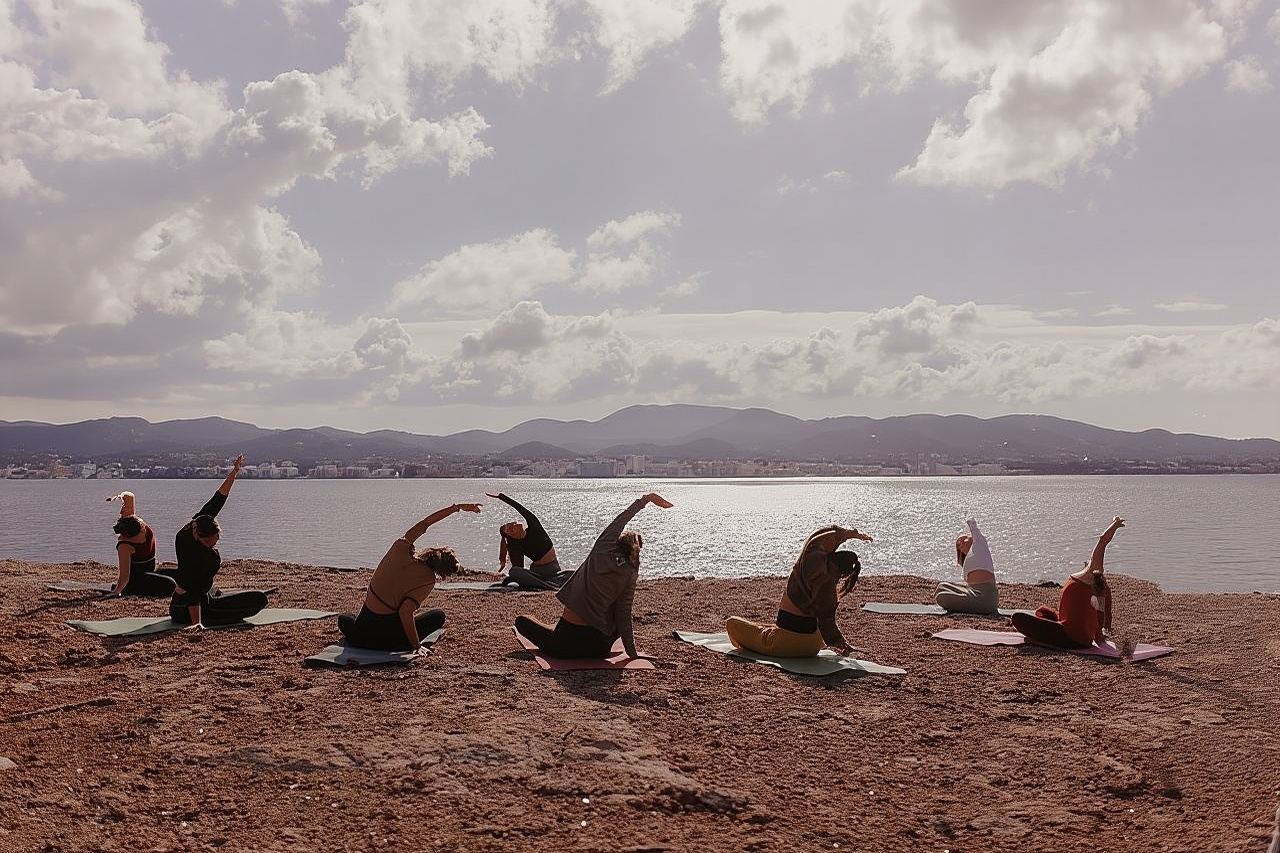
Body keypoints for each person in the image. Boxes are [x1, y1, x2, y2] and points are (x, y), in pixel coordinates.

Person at [514, 493, 672, 659]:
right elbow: (623, 615)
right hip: (598, 648)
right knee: (617, 611)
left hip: (563, 644)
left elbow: (621, 519)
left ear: (618, 541)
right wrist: (632, 655)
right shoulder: (631, 572)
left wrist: (645, 500)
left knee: (522, 621)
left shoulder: (603, 547)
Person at [337, 503, 480, 652]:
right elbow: (405, 612)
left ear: (435, 550)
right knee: (438, 615)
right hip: (390, 640)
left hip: (361, 637)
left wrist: (457, 508)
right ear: (442, 574)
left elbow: (426, 523)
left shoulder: (399, 548)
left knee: (345, 618)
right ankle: (401, 640)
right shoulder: (429, 580)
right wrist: (416, 646)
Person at [725, 525, 872, 658]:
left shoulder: (810, 562)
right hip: (813, 645)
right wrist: (843, 644)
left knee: (732, 623)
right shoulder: (829, 591)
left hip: (787, 643)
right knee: (763, 627)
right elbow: (827, 622)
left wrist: (848, 534)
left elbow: (816, 539)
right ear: (843, 574)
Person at [169, 455, 268, 629]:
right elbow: (193, 588)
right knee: (259, 598)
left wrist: (234, 472)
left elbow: (218, 498)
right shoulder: (203, 556)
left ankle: (214, 607)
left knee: (215, 591)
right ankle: (210, 616)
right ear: (200, 537)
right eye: (209, 544)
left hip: (179, 605)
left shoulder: (194, 525)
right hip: (189, 610)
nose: (213, 547)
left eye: (215, 542)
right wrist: (197, 623)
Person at [1010, 517, 1124, 649]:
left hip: (1069, 636)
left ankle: (1048, 636)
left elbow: (1102, 541)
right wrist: (1101, 640)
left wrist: (1114, 525)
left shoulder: (1091, 573)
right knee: (1043, 616)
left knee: (1018, 617)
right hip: (1081, 640)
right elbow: (1099, 625)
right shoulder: (1098, 593)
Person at [486, 491, 570, 589]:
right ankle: (550, 586)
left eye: (511, 524)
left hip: (553, 569)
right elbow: (518, 569)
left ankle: (547, 584)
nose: (514, 526)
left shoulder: (534, 525)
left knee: (572, 574)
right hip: (537, 572)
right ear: (512, 537)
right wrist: (513, 575)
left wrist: (502, 497)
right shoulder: (517, 545)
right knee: (514, 571)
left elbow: (520, 508)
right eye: (510, 530)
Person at [105, 490, 176, 597]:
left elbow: (129, 511)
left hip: (151, 571)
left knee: (183, 575)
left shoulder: (140, 524)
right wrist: (117, 591)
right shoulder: (124, 545)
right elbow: (125, 575)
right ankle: (128, 589)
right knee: (171, 585)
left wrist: (125, 501)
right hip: (136, 580)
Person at [934, 517, 999, 614]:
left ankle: (966, 606)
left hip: (985, 599)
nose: (961, 544)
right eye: (959, 544)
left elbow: (975, 530)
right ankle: (963, 604)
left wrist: (970, 522)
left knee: (941, 597)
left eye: (964, 539)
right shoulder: (971, 559)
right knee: (941, 586)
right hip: (973, 592)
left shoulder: (979, 546)